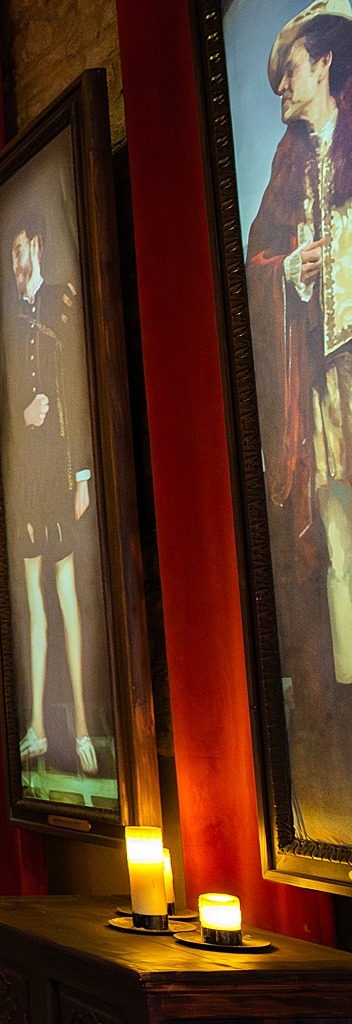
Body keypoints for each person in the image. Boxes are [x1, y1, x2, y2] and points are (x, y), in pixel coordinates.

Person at [248, 2, 352, 685]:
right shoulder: (289, 162)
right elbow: (255, 256)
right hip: (320, 381)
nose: (281, 89)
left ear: (322, 65)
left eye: (290, 72)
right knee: (338, 535)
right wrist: (288, 267)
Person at [2, 212, 99, 776]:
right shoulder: (12, 321)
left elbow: (80, 390)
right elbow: (11, 405)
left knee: (67, 597)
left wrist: (85, 475)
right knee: (33, 596)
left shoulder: (62, 301)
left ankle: (83, 725)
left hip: (62, 467)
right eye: (11, 255)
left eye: (20, 251)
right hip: (27, 476)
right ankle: (37, 726)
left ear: (36, 246)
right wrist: (22, 413)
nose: (16, 265)